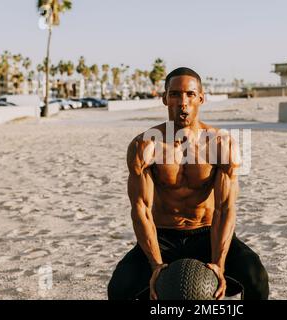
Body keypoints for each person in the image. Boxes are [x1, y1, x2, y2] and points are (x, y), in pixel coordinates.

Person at [107, 67, 269, 300]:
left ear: (201, 98)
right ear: (164, 98)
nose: (183, 102)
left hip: (207, 233)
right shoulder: (145, 146)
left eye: (190, 94)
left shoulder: (221, 144)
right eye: (175, 94)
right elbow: (141, 209)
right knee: (119, 288)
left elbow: (225, 208)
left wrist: (219, 264)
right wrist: (155, 265)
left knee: (257, 279)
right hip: (162, 236)